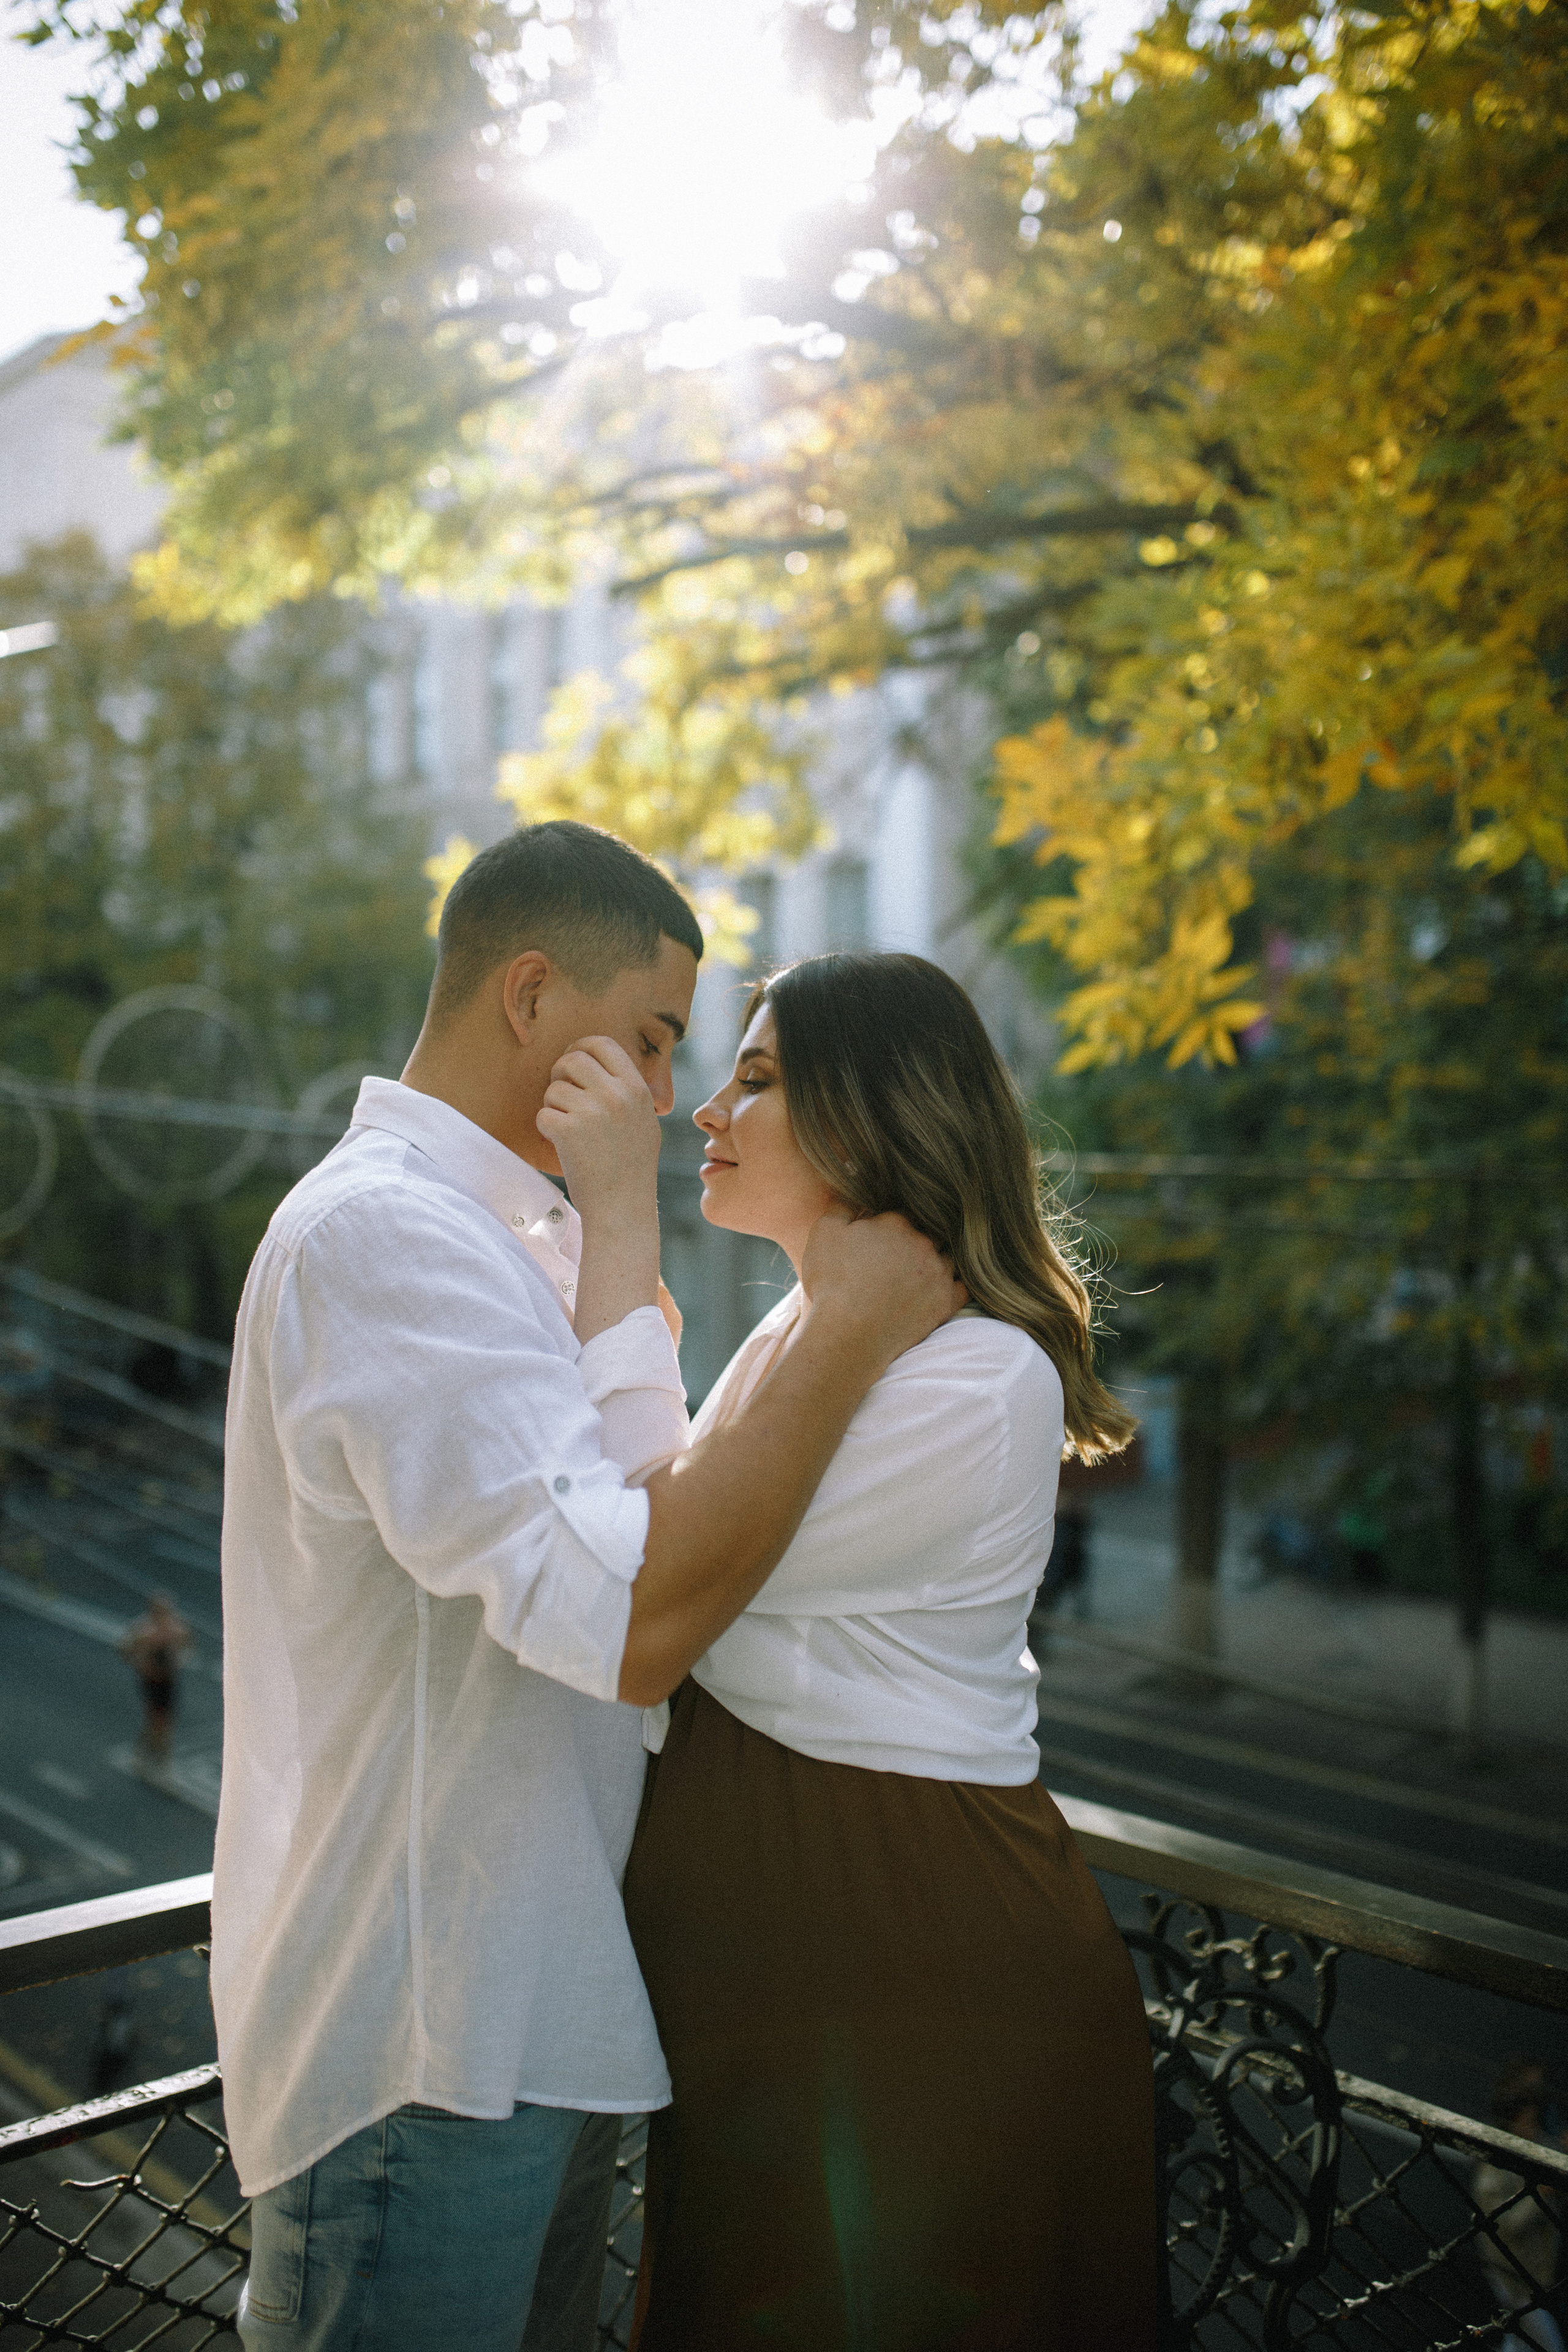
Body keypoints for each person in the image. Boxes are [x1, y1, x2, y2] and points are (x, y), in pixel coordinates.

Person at [214, 826, 960, 2352]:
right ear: (529, 991)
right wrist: (838, 1332)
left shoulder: (512, 1243)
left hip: (530, 2016)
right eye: (650, 1037)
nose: (678, 1089)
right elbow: (631, 1620)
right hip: (425, 2042)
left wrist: (617, 1232)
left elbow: (647, 1522)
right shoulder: (390, 1236)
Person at [624, 951, 1159, 2352]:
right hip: (789, 1992)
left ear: (872, 1114)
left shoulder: (977, 1375)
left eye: (756, 1076)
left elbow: (639, 1580)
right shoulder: (807, 1332)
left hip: (911, 1971)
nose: (704, 1107)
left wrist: (616, 1227)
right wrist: (841, 1312)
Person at [1474, 2057, 1564, 2352]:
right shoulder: (1495, 2164)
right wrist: (1544, 2191)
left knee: (1519, 2344)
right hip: (1511, 2275)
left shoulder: (1539, 2145)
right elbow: (1506, 2223)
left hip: (1537, 2275)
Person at [118, 1591, 191, 1766]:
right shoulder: (144, 1630)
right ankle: (158, 1757)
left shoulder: (176, 1628)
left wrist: (178, 1658)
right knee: (158, 1718)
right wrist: (140, 1662)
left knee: (161, 1719)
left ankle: (150, 1754)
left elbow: (188, 1647)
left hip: (168, 1677)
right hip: (150, 1678)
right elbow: (125, 1650)